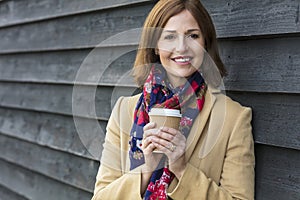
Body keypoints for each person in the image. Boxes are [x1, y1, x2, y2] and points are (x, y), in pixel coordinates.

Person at [92, 0, 255, 199]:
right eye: (169, 37)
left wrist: (182, 169)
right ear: (155, 46)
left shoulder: (234, 117)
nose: (182, 47)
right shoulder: (123, 111)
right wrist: (146, 170)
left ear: (205, 43)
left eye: (193, 36)